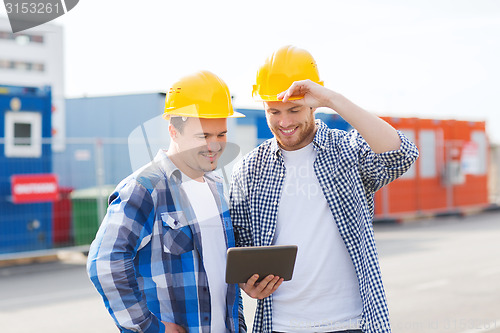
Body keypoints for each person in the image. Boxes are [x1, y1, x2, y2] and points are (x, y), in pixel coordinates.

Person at [230, 46, 419, 333]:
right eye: (274, 111)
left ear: (313, 104)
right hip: (280, 325)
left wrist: (332, 98)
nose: (284, 122)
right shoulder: (249, 169)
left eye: (294, 110)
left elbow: (402, 154)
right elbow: (241, 247)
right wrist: (248, 284)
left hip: (350, 322)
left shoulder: (346, 150)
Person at [87, 70, 248, 333]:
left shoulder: (219, 190)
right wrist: (151, 328)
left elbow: (221, 271)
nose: (215, 145)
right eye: (203, 136)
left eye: (221, 134)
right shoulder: (144, 188)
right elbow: (104, 263)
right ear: (174, 131)